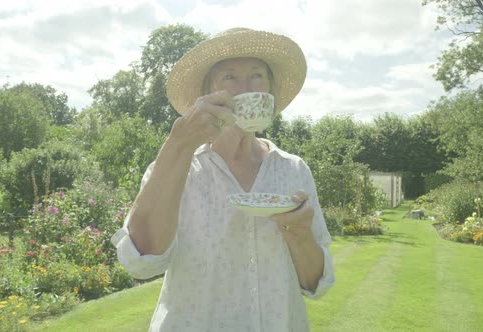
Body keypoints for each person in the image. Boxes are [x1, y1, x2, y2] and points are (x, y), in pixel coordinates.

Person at [111, 27, 335, 331]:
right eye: (229, 77)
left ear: (269, 92)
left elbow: (315, 284)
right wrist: (178, 144)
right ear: (207, 95)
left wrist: (299, 236)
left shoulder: (293, 170)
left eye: (257, 75)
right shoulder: (179, 167)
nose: (244, 87)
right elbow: (140, 263)